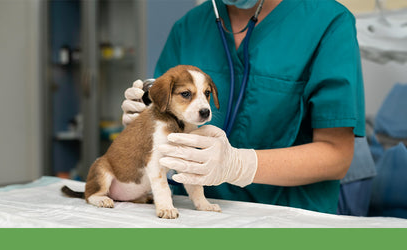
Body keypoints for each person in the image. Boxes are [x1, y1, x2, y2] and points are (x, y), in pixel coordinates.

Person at [121, 0, 366, 214]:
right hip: (194, 213)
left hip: (289, 218)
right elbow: (167, 129)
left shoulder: (328, 22)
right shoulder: (188, 27)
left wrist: (238, 164)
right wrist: (145, 120)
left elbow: (337, 156)